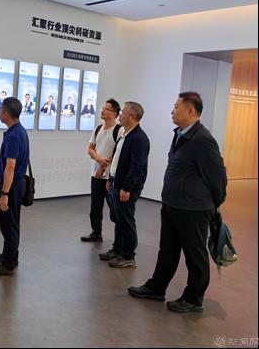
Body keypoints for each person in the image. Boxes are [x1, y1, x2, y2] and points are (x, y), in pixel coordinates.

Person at [128, 92, 227, 313]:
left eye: (176, 107)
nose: (172, 111)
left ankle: (194, 298)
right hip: (173, 204)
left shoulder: (203, 140)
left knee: (195, 254)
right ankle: (157, 287)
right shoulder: (180, 134)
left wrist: (214, 204)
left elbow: (218, 177)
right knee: (167, 249)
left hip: (194, 209)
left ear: (191, 111)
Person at [100, 101, 149, 268]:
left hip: (127, 188)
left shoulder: (139, 139)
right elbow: (117, 159)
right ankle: (118, 249)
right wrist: (111, 179)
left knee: (126, 220)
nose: (119, 115)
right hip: (117, 183)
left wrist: (127, 188)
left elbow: (137, 167)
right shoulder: (126, 134)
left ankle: (128, 256)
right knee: (119, 219)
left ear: (132, 116)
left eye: (122, 112)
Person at [0, 97, 30, 276]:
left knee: (8, 224)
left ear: (6, 114)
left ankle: (8, 263)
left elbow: (10, 167)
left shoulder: (13, 136)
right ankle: (9, 254)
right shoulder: (19, 131)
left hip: (12, 185)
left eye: (0, 110)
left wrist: (5, 193)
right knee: (11, 222)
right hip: (17, 184)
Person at [81, 99, 123, 242]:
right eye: (103, 108)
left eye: (106, 109)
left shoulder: (119, 130)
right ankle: (96, 232)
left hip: (110, 177)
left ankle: (120, 238)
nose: (103, 111)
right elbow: (90, 149)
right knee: (95, 207)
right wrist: (99, 160)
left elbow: (117, 152)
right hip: (96, 175)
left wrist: (102, 167)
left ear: (114, 113)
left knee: (114, 208)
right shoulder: (98, 128)